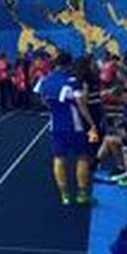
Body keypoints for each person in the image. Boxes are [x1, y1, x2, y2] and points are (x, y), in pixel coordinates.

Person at [35, 51, 98, 206]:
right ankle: (82, 194)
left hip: (55, 124)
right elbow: (81, 104)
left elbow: (43, 99)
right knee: (82, 157)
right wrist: (91, 123)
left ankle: (64, 195)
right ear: (69, 65)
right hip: (74, 124)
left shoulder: (44, 80)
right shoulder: (71, 82)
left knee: (58, 158)